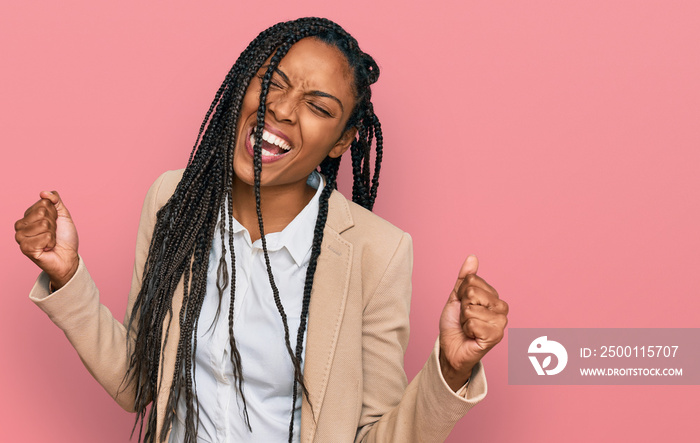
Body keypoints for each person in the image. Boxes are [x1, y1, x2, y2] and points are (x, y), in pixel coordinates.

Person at [14, 17, 508, 443]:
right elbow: (138, 384)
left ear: (342, 142)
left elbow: (371, 434)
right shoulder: (174, 200)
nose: (284, 108)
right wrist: (67, 276)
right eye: (272, 81)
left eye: (319, 107)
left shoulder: (377, 251)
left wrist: (450, 369)